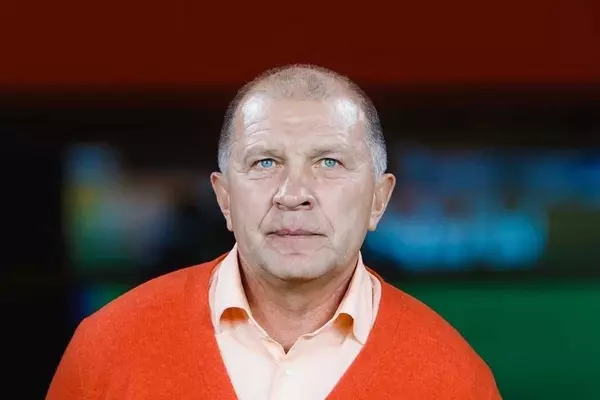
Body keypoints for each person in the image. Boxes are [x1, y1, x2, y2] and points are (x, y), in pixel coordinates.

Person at [47, 65, 502, 399]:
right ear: (225, 198)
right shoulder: (106, 348)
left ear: (379, 200)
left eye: (329, 162)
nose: (293, 194)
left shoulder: (455, 378)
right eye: (265, 162)